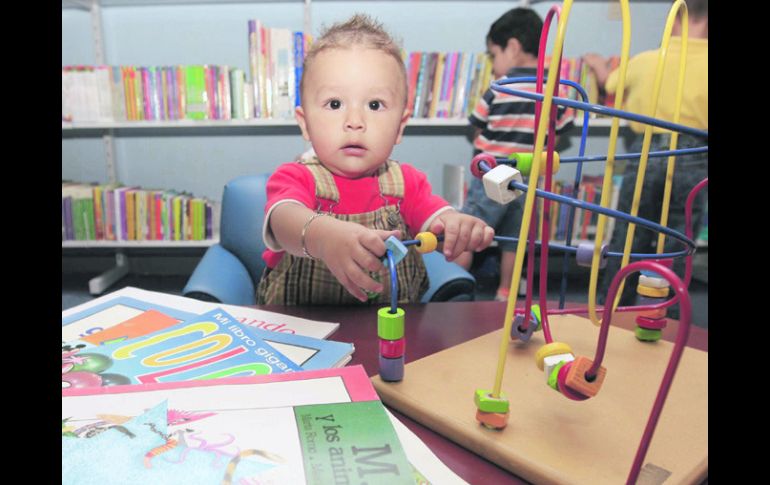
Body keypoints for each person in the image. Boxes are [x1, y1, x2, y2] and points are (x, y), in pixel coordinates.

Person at [257, 14, 495, 306]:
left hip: (390, 327)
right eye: (334, 104)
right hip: (301, 328)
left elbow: (437, 221)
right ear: (304, 123)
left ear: (401, 126)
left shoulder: (408, 183)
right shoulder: (295, 177)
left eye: (374, 105)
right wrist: (324, 237)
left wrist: (457, 226)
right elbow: (283, 221)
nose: (355, 121)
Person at [582, 0, 707, 315]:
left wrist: (598, 65)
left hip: (647, 151)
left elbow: (610, 83)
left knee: (629, 237)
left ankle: (611, 308)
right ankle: (669, 316)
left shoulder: (647, 60)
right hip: (694, 155)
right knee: (679, 241)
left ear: (673, 22)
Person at [456, 7, 574, 301]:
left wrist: (489, 144)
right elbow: (558, 133)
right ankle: (505, 292)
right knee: (515, 240)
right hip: (527, 177)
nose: (494, 64)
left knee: (467, 233)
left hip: (492, 175)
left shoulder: (500, 87)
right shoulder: (554, 89)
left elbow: (476, 125)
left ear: (512, 47)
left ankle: (454, 284)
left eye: (494, 55)